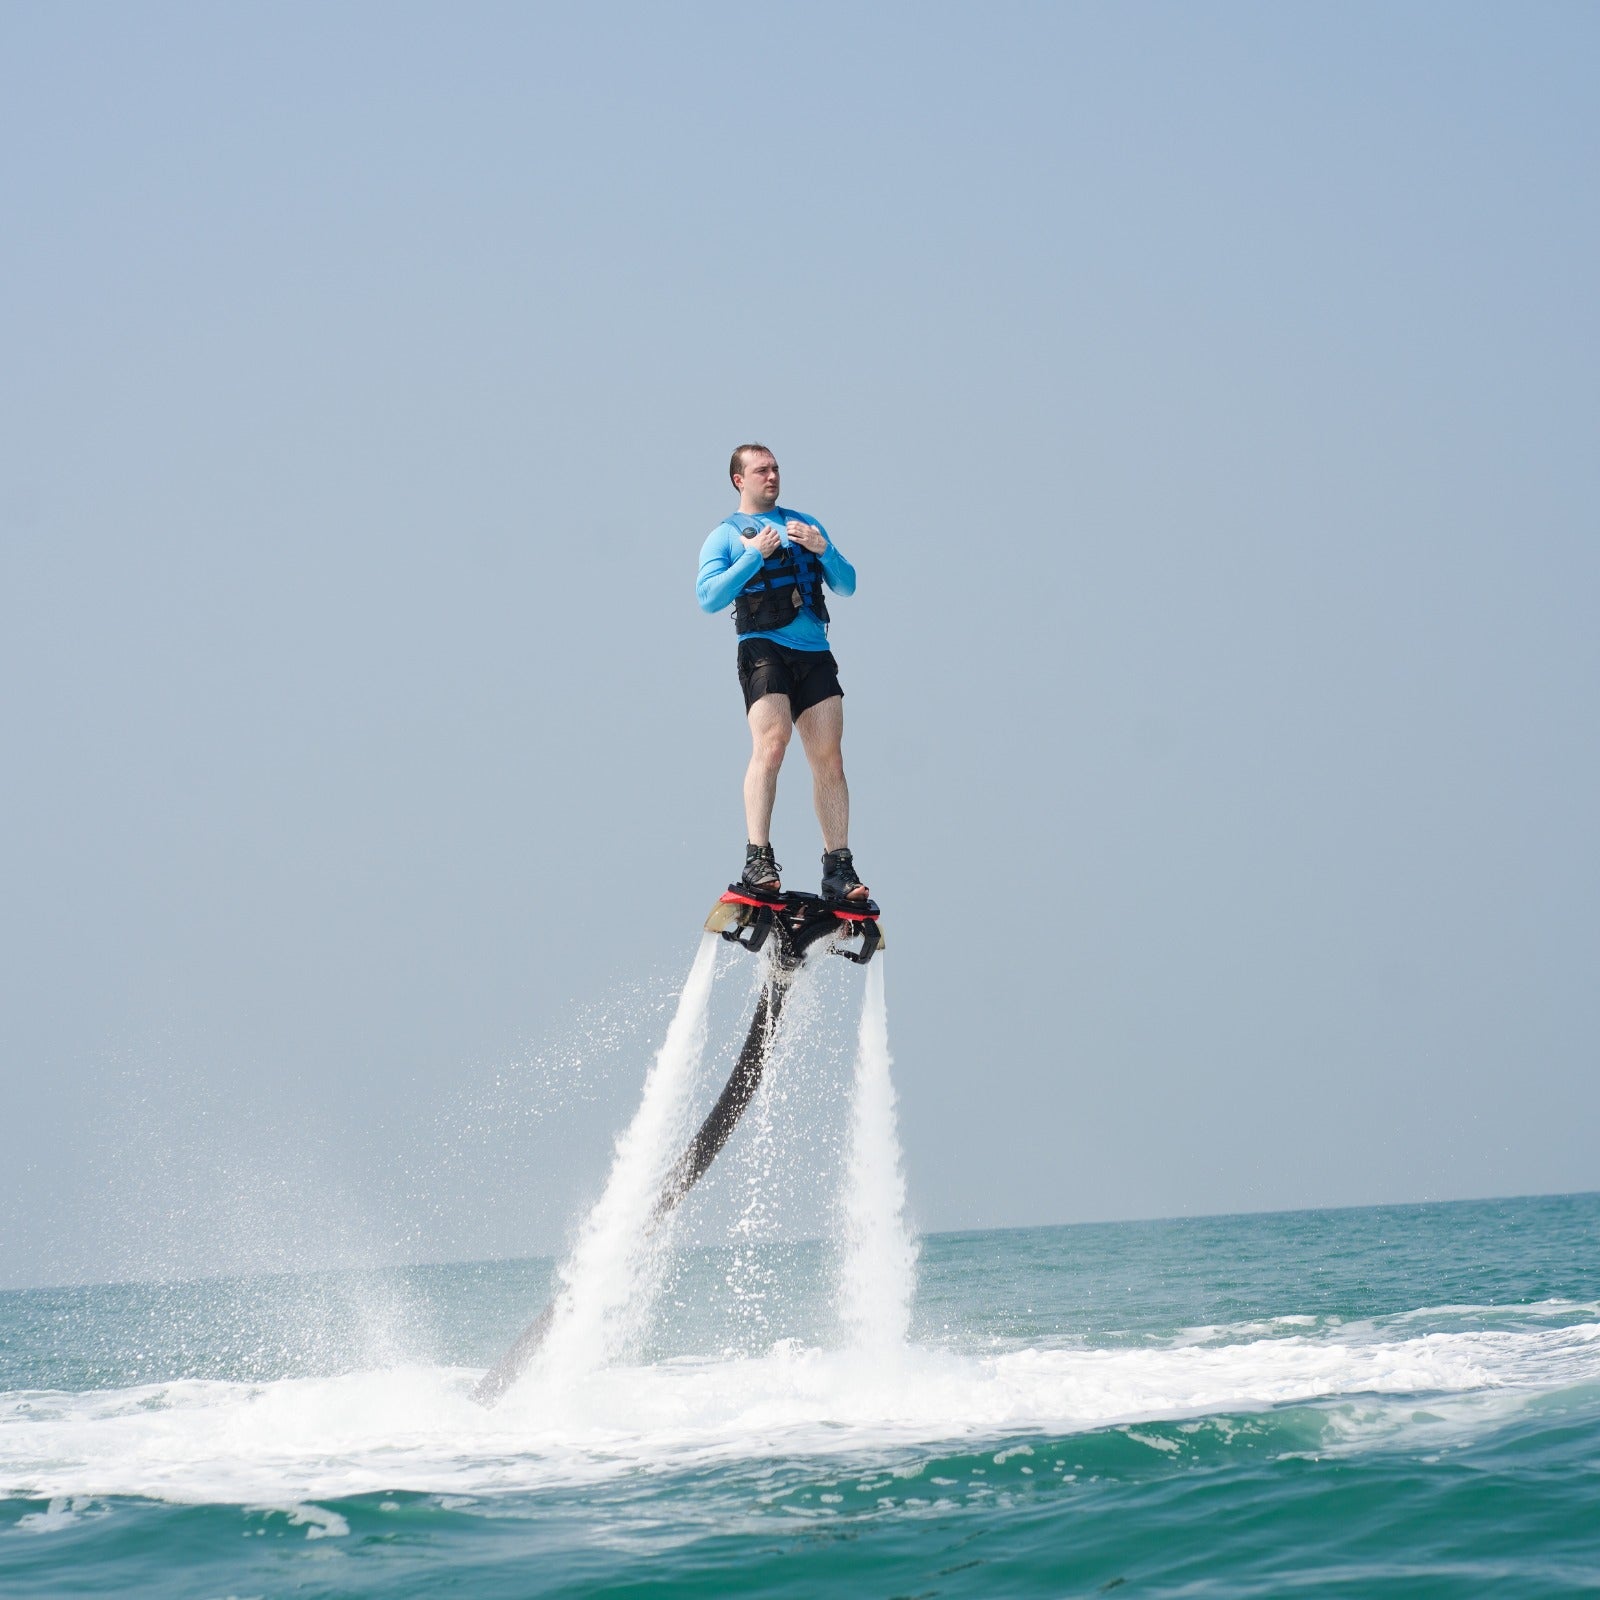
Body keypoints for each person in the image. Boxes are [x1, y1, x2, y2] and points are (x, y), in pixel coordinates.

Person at [695, 443, 870, 903]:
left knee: (830, 759)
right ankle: (758, 859)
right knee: (772, 746)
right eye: (761, 470)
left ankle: (839, 867)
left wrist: (823, 549)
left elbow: (847, 584)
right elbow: (708, 598)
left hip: (814, 653)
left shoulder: (806, 524)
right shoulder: (726, 536)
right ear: (739, 479)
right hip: (763, 649)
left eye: (775, 468)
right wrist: (752, 556)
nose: (772, 476)